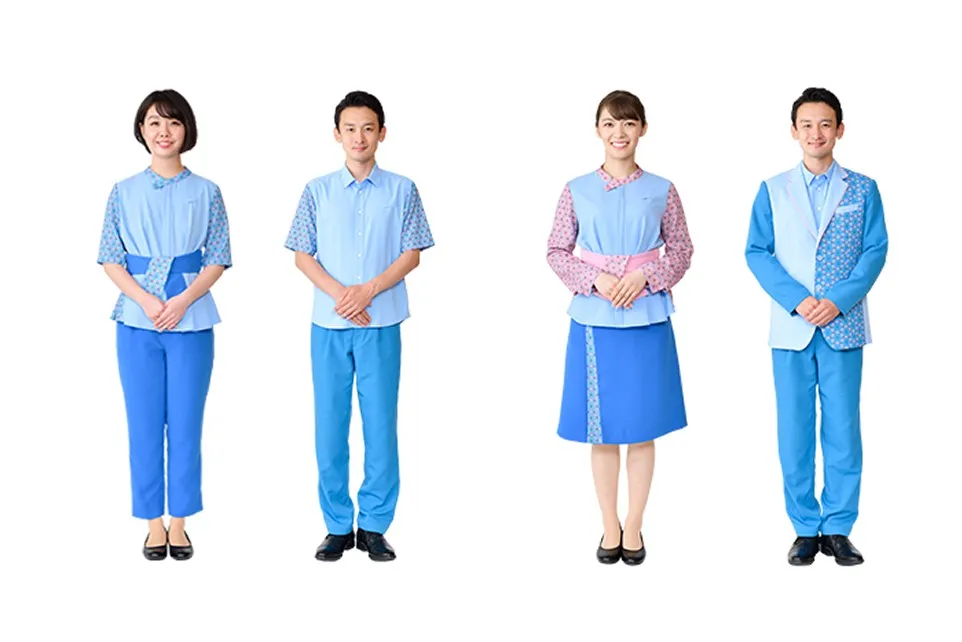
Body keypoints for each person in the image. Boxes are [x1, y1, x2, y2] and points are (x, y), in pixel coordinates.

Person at [285, 90, 434, 562]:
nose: (359, 137)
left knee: (380, 425)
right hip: (327, 325)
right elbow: (302, 254)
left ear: (382, 133)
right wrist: (341, 296)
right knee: (329, 425)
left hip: (381, 321)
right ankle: (335, 526)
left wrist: (367, 291)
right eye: (350, 128)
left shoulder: (402, 189)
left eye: (368, 128)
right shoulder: (317, 191)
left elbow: (411, 253)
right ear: (336, 134)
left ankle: (373, 525)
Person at [547, 90, 693, 565]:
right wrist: (599, 280)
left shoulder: (664, 189)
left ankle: (636, 525)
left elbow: (683, 251)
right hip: (595, 320)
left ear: (643, 129)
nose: (619, 133)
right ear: (597, 130)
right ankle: (609, 524)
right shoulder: (575, 190)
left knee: (643, 427)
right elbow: (555, 251)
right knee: (602, 429)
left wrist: (645, 277)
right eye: (610, 124)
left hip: (648, 316)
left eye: (628, 123)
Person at [745, 87, 888, 566]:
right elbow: (757, 252)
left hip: (842, 327)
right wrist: (800, 301)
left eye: (825, 124)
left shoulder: (863, 189)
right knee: (795, 429)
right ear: (793, 131)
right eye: (806, 125)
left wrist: (838, 301)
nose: (816, 133)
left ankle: (839, 527)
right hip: (791, 327)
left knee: (844, 428)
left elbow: (875, 250)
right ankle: (805, 528)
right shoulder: (772, 189)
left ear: (840, 130)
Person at [97, 89, 232, 561]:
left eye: (173, 123)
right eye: (154, 123)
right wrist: (147, 299)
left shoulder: (208, 191)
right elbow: (111, 259)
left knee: (187, 423)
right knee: (144, 422)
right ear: (141, 130)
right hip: (136, 318)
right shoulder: (122, 191)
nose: (163, 131)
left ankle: (181, 521)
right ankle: (152, 522)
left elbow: (218, 257)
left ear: (186, 131)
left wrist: (182, 300)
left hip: (192, 317)